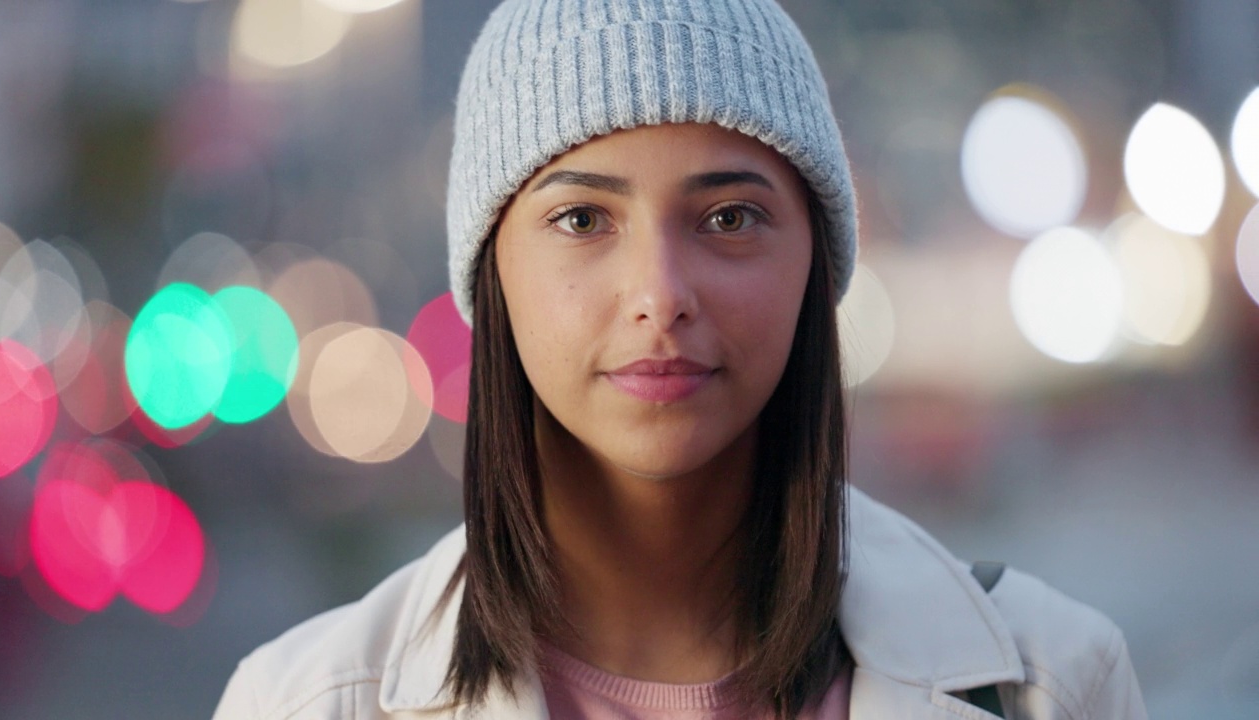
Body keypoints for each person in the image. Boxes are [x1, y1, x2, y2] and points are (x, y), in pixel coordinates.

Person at [213, 0, 1148, 718]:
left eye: (729, 217)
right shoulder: (307, 700)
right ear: (489, 268)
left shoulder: (1051, 681)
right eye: (582, 219)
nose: (660, 292)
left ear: (816, 262)